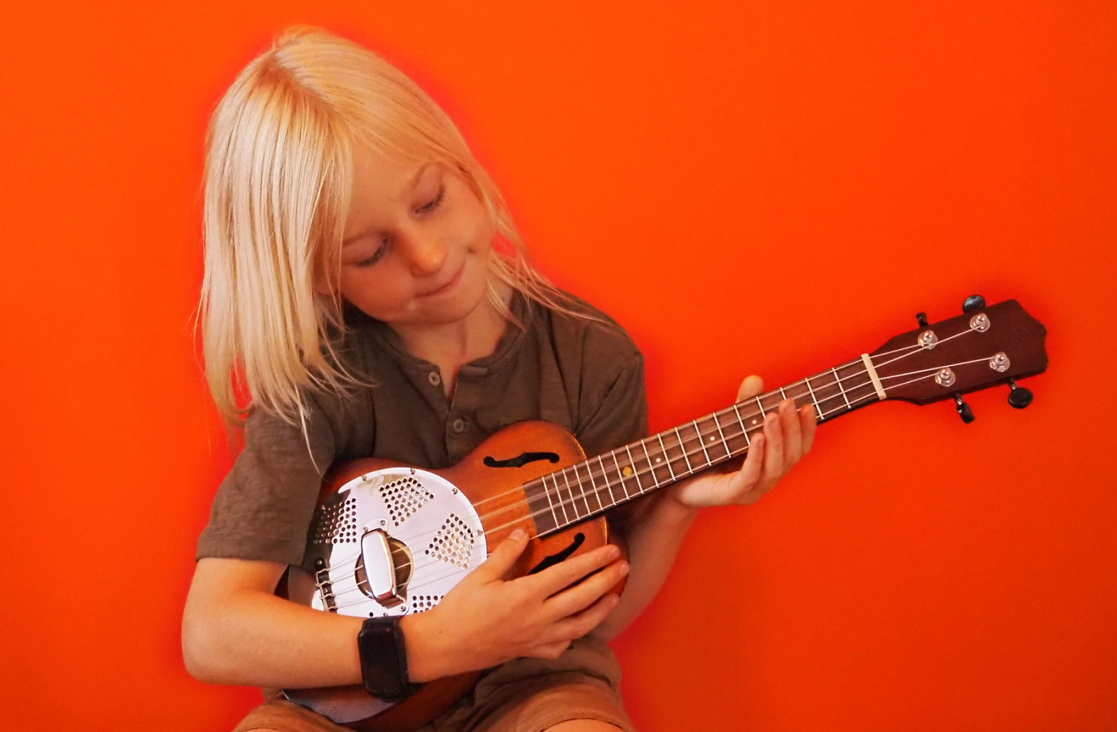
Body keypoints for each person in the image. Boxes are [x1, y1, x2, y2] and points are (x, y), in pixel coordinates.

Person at [182, 27, 817, 732]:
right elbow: (212, 631)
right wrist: (428, 644)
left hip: (532, 693)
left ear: (461, 164)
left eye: (429, 201)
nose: (427, 256)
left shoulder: (589, 355)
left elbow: (594, 617)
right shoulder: (315, 383)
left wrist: (675, 505)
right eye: (370, 252)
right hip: (339, 707)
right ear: (316, 281)